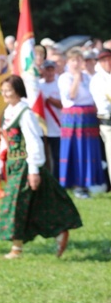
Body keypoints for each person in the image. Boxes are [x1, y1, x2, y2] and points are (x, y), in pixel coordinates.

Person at [0, 75, 82, 259]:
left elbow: (34, 141)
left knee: (15, 205)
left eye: (8, 90)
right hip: (13, 165)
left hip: (25, 164)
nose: (5, 94)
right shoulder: (9, 112)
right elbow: (4, 142)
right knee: (36, 205)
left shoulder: (25, 113)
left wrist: (33, 170)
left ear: (18, 91)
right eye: (3, 91)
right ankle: (59, 232)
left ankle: (16, 248)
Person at [57, 48, 105, 198]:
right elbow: (71, 95)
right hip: (74, 117)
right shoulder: (65, 77)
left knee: (88, 150)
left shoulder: (89, 77)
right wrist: (77, 77)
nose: (77, 63)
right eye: (73, 60)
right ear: (68, 62)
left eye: (79, 60)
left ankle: (89, 182)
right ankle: (77, 184)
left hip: (89, 116)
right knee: (76, 150)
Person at [89, 48, 111, 186]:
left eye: (109, 59)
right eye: (104, 60)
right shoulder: (97, 80)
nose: (107, 63)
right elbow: (104, 104)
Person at [38, 60, 62, 180]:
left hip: (57, 126)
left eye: (51, 69)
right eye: (47, 69)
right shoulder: (38, 85)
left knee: (57, 156)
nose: (49, 72)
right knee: (44, 156)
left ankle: (58, 180)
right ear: (42, 70)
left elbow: (62, 104)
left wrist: (48, 98)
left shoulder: (60, 83)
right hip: (42, 127)